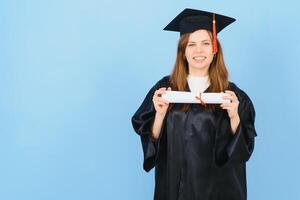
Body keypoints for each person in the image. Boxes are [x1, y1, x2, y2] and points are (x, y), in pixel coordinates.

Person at [131, 8, 257, 200]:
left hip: (219, 190)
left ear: (215, 49)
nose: (199, 50)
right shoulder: (165, 89)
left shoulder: (233, 95)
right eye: (191, 44)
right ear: (183, 51)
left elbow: (243, 152)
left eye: (206, 43)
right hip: (175, 188)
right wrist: (160, 115)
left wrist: (233, 115)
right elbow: (152, 143)